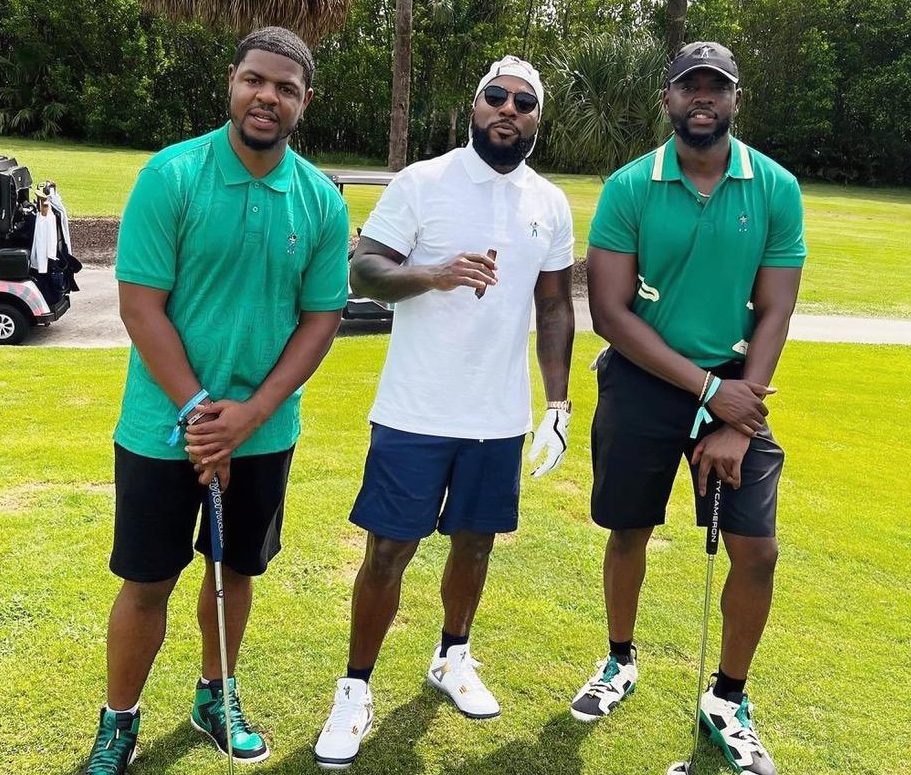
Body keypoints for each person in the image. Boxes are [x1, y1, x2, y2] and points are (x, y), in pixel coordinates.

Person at [83, 27, 348, 775]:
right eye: (255, 80)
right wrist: (203, 414)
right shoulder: (171, 176)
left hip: (262, 432)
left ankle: (214, 695)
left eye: (286, 88)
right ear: (232, 82)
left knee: (234, 573)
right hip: (163, 429)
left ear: (304, 101)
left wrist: (250, 416)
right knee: (147, 581)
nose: (268, 97)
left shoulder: (319, 200)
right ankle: (119, 719)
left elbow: (321, 317)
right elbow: (141, 307)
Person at [313, 55, 575, 769]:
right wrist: (434, 272)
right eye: (496, 96)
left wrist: (557, 403)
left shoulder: (548, 202)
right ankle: (354, 688)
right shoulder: (422, 182)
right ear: (475, 104)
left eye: (524, 102)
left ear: (536, 119)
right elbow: (365, 269)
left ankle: (452, 656)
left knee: (476, 545)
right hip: (415, 411)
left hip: (497, 417)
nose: (508, 109)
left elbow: (555, 305)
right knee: (387, 552)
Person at [570, 42, 805, 775]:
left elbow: (775, 309)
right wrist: (708, 393)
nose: (703, 98)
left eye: (717, 87)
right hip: (645, 380)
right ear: (667, 98)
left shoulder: (775, 186)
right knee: (629, 530)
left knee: (757, 550)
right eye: (689, 86)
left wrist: (735, 415)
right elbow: (610, 312)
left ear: (735, 99)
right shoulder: (630, 186)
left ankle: (728, 698)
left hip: (738, 385)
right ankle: (619, 658)